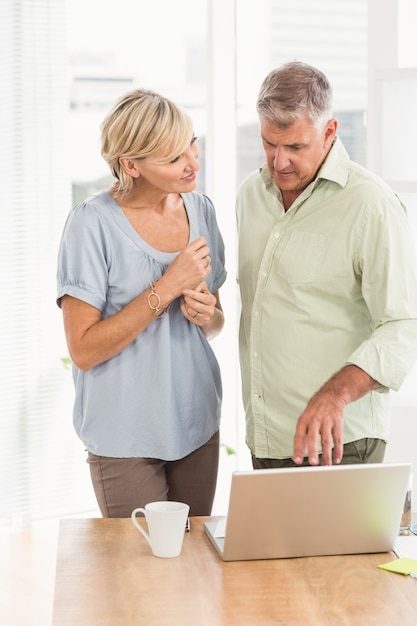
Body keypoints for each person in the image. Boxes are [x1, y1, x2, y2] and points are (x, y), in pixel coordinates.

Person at [236, 61, 417, 469]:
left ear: (329, 132)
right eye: (269, 143)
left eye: (295, 147)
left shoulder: (371, 204)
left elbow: (403, 325)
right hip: (266, 440)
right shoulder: (250, 194)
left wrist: (335, 394)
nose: (278, 162)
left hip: (343, 443)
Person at [56, 88, 226, 517]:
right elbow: (84, 349)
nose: (193, 161)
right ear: (131, 164)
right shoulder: (90, 224)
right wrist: (166, 288)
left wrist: (207, 314)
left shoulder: (201, 210)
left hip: (196, 422)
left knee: (193, 569)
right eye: (173, 158)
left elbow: (215, 322)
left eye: (191, 141)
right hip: (123, 436)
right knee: (142, 578)